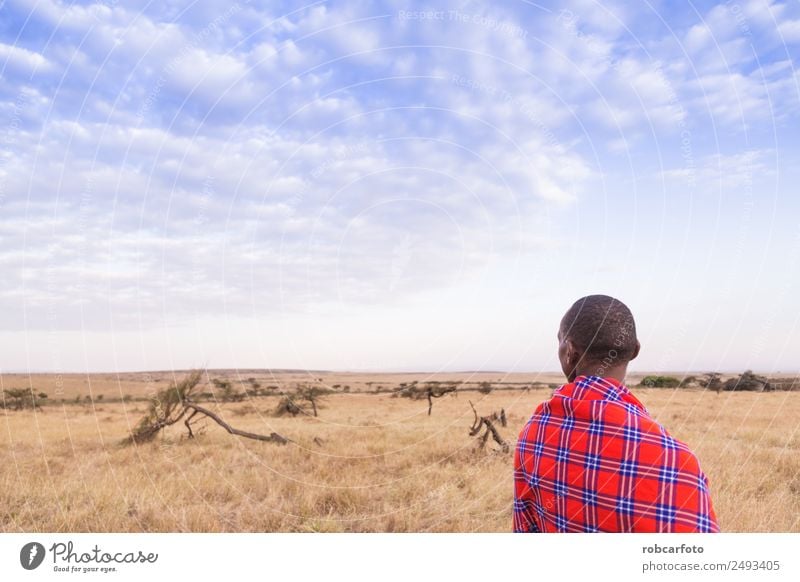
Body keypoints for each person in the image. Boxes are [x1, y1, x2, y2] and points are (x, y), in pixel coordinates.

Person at [513, 294, 720, 533]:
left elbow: (525, 529)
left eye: (559, 341)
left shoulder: (534, 434)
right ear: (635, 350)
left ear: (569, 351)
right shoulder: (677, 463)